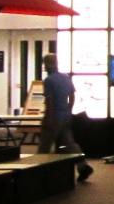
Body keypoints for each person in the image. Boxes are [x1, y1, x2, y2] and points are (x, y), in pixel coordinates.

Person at [37, 54, 92, 183]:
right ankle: (83, 166)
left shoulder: (49, 80)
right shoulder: (65, 77)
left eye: (45, 64)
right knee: (69, 143)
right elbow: (72, 96)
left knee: (44, 145)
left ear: (47, 65)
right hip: (65, 115)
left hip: (54, 116)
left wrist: (48, 118)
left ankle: (37, 173)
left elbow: (49, 102)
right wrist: (68, 110)